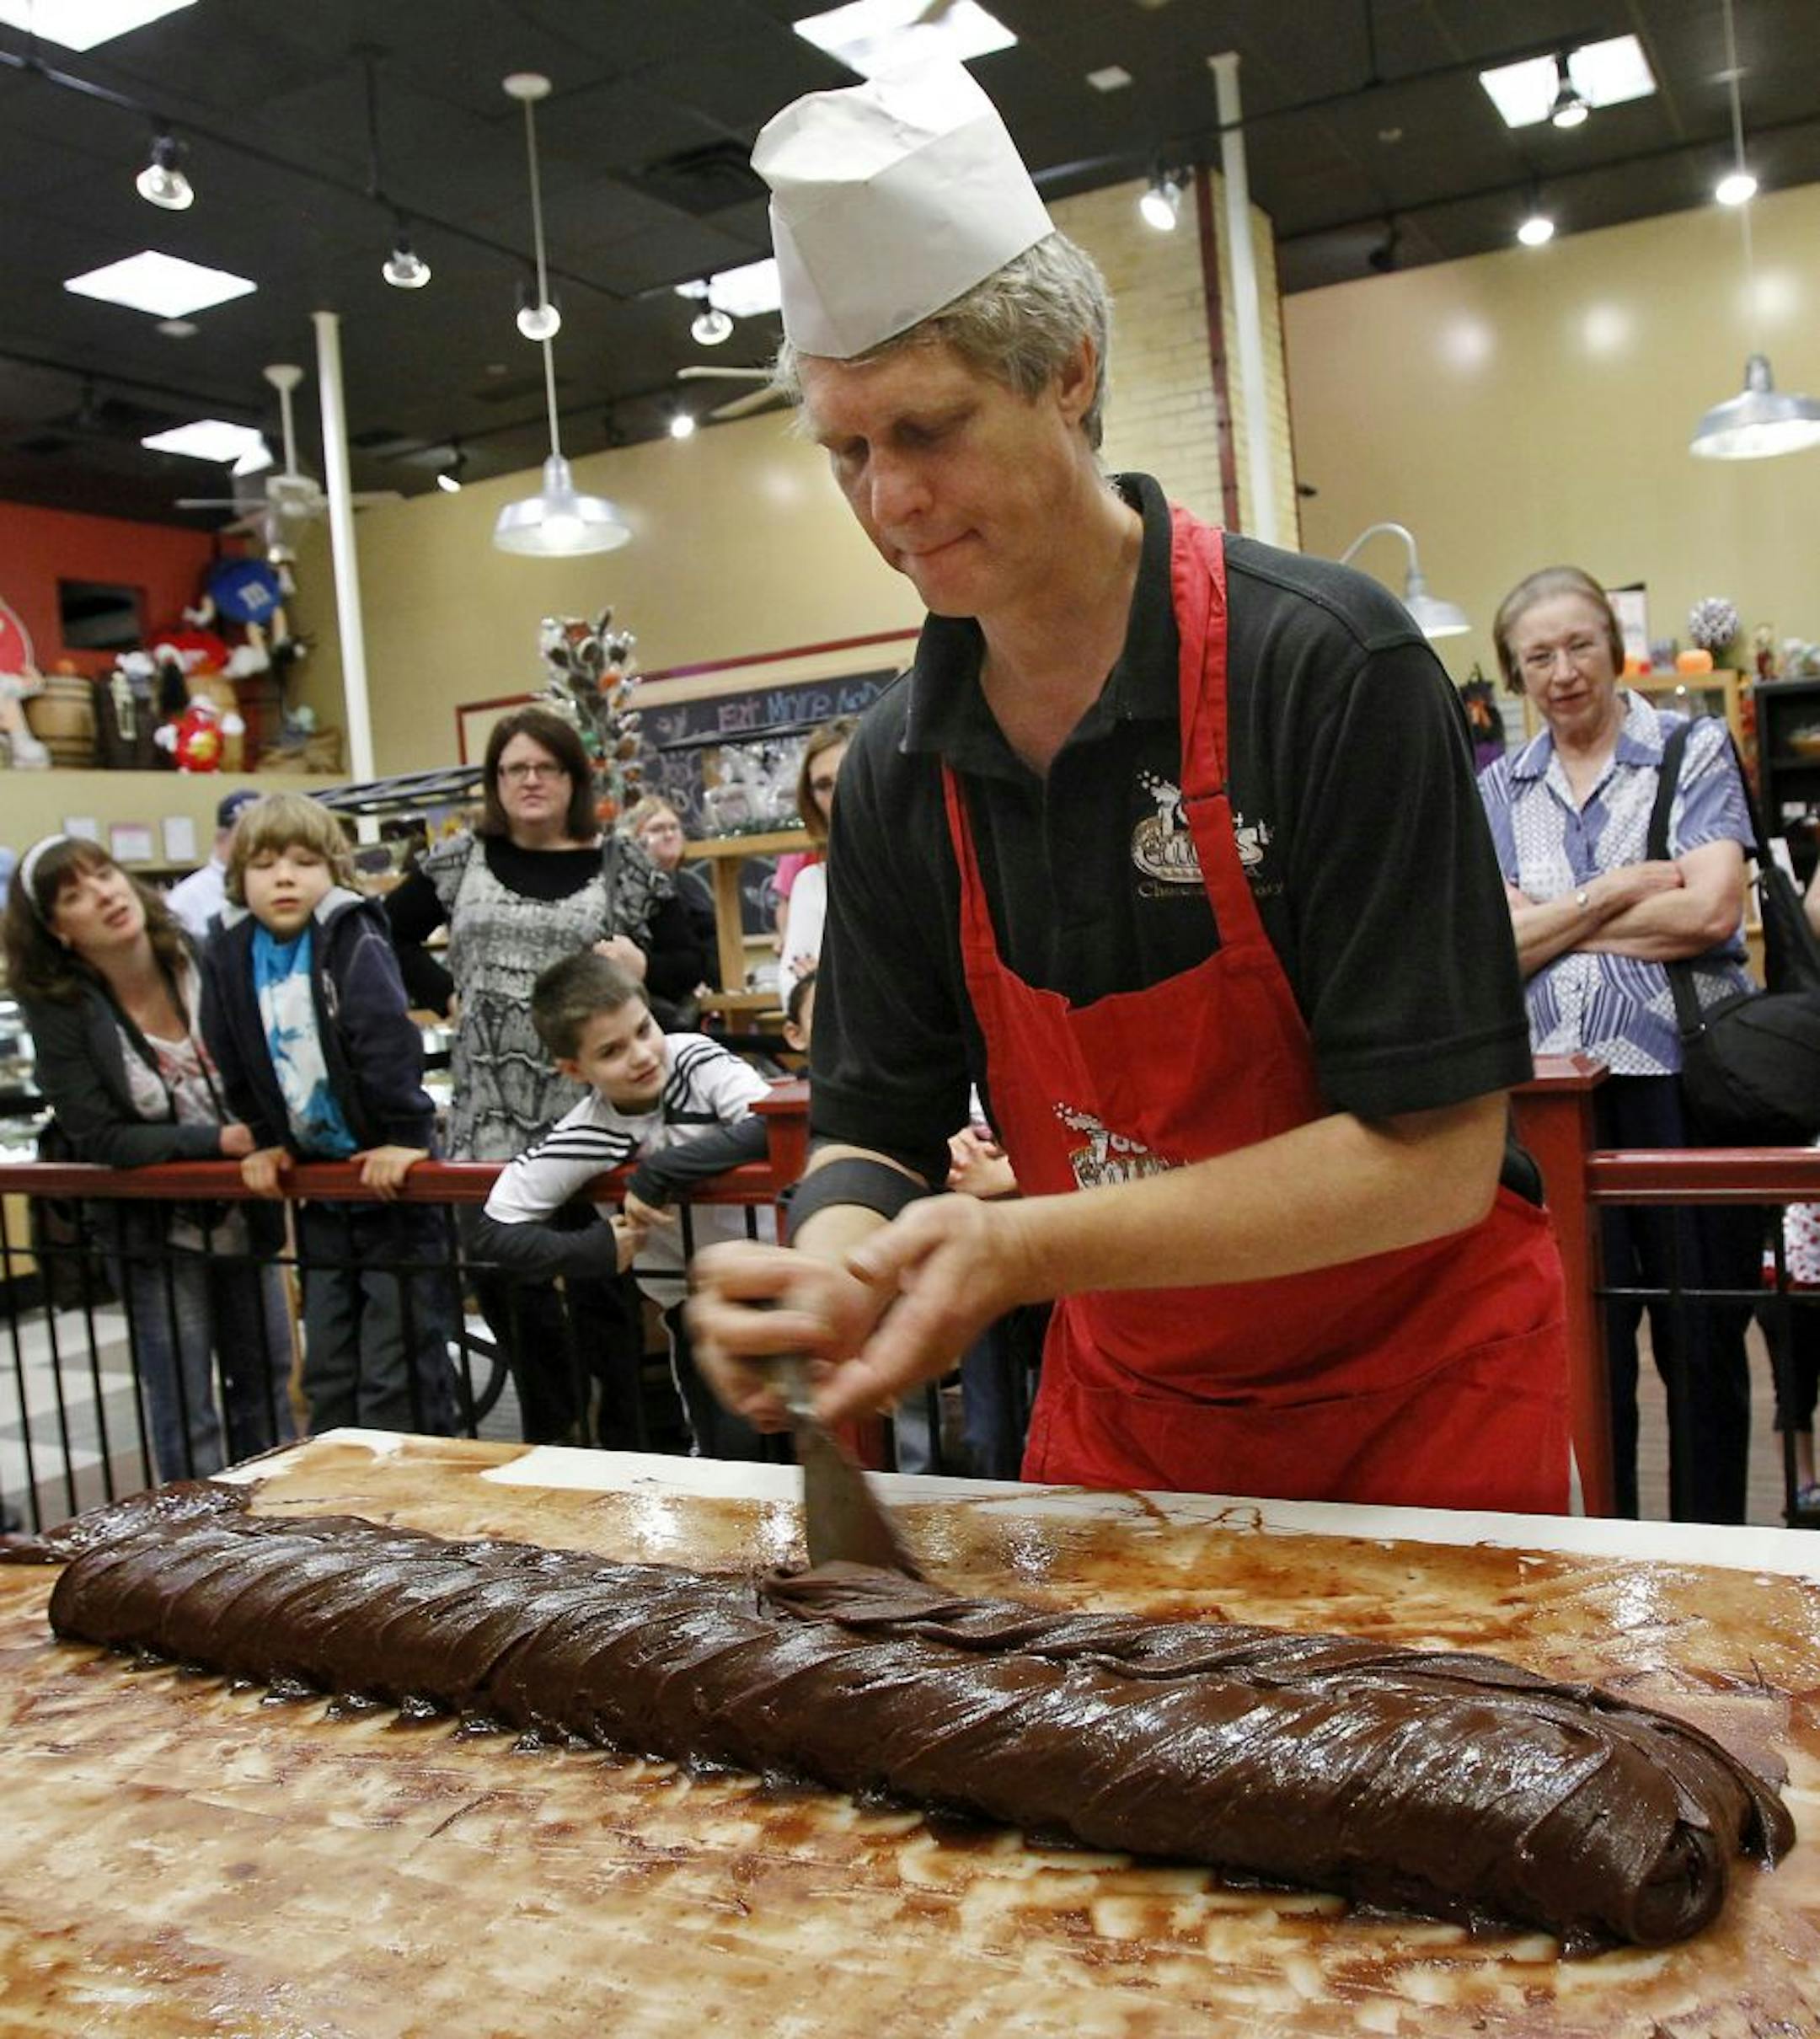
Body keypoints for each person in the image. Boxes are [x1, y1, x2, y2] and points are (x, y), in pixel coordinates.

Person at [687, 61, 1569, 1515]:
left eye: (928, 430)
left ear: (1071, 370)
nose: (888, 504)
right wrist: (836, 1258)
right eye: (847, 451)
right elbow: (872, 1124)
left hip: (1422, 1409)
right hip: (1135, 1418)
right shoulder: (908, 766)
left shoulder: (1328, 669)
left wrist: (1022, 1250)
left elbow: (1434, 1159)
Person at [1477, 565, 1759, 1523]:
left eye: (1579, 644)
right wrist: (1623, 887)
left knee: (1702, 1343)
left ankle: (1713, 1559)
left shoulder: (1690, 746)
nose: (1563, 671)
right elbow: (1488, 947)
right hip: (1549, 1099)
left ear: (1613, 644)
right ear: (1517, 676)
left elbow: (1713, 907)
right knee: (1580, 1353)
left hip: (1682, 1084)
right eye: (1538, 656)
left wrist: (1553, 917)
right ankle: (1607, 1561)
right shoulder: (1498, 790)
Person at [385, 707, 705, 1442]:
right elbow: (386, 931)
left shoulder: (618, 862)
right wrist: (442, 994)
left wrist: (640, 968)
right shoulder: (459, 859)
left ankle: (628, 1456)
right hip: (489, 1118)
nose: (530, 781)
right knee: (510, 1289)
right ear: (495, 783)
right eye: (513, 769)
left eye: (546, 767)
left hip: (594, 1118)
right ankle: (553, 1432)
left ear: (572, 777)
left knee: (608, 1297)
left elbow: (690, 964)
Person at [4, 833, 293, 1481]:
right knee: (186, 1405)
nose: (104, 894)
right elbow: (99, 1137)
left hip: (248, 1211)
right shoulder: (61, 1008)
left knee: (267, 1384)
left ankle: (282, 1536)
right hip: (153, 1234)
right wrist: (216, 1142)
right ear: (58, 930)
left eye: (104, 874)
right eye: (75, 894)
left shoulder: (200, 956)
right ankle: (194, 1555)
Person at [200, 793, 457, 1439]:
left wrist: (406, 1134)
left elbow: (385, 1036)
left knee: (397, 1370)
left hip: (391, 1187)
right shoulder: (230, 954)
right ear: (239, 878)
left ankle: (406, 1519)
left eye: (302, 860)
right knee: (330, 1372)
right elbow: (230, 1050)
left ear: (332, 870)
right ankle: (334, 1515)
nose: (284, 876)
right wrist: (263, 1138)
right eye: (264, 863)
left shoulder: (351, 934)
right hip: (322, 1191)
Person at [472, 953, 782, 1462]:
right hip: (697, 1310)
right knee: (732, 1458)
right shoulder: (585, 1131)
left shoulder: (695, 1058)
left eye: (644, 1029)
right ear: (574, 1069)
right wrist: (596, 1249)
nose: (641, 1055)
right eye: (613, 1051)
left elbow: (774, 1127)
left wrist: (658, 1174)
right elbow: (491, 1228)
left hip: (784, 1276)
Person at [775, 717, 856, 993]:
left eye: (849, 774)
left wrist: (824, 982)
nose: (839, 793)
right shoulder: (811, 884)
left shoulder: (921, 864)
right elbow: (792, 991)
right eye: (824, 785)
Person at [624, 792, 716, 1020]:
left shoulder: (689, 888)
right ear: (635, 838)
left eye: (674, 828)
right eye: (657, 829)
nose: (668, 835)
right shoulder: (628, 891)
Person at [164, 787, 261, 941]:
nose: (257, 843)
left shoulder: (270, 886)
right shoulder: (187, 897)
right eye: (247, 834)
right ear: (222, 837)